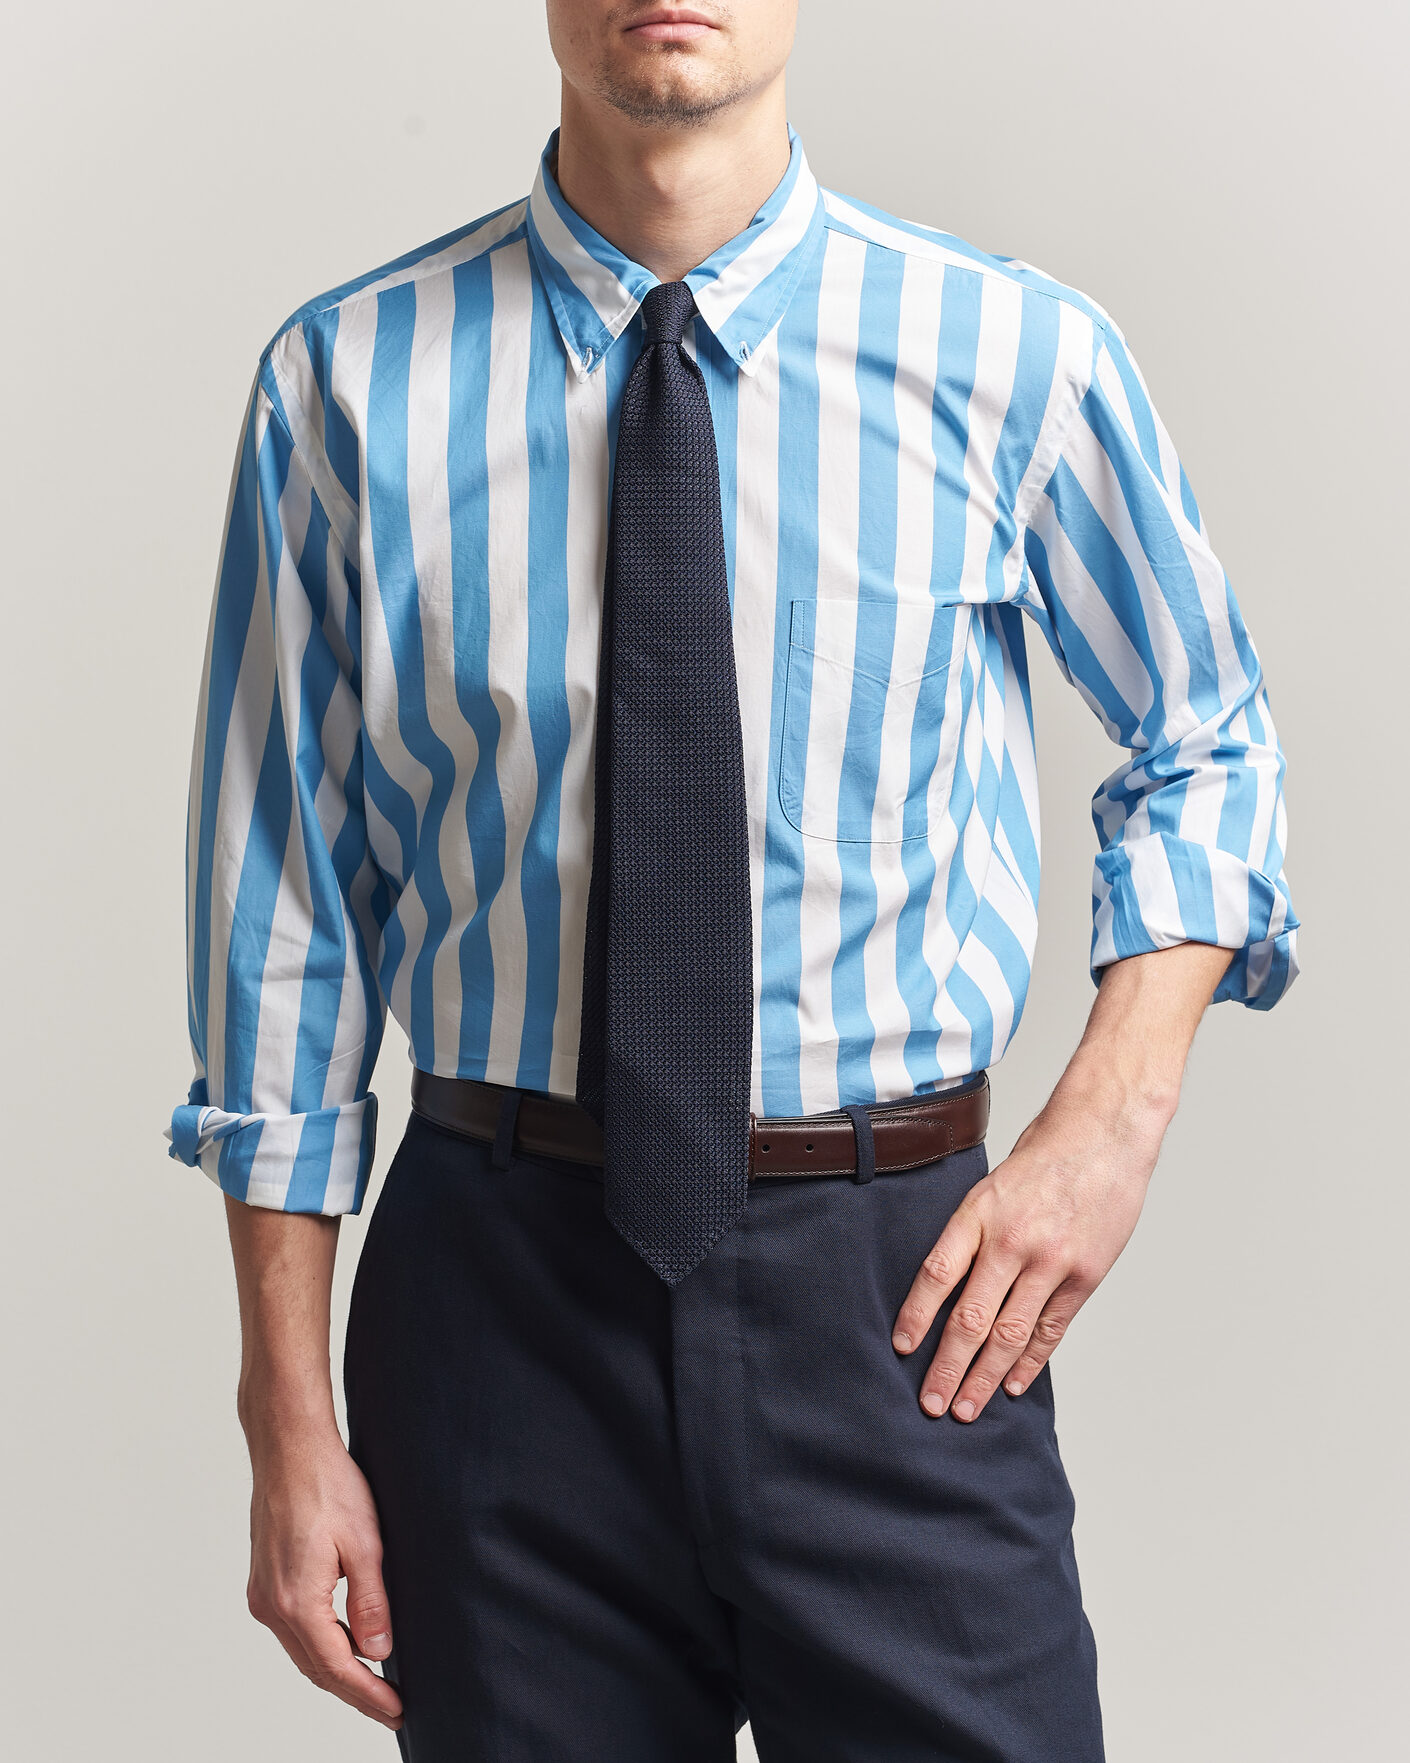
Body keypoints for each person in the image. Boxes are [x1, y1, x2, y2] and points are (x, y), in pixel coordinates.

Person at [163, 3, 1300, 1758]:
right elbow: (281, 911)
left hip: (896, 1297)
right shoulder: (345, 382)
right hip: (497, 1302)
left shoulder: (1011, 354)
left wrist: (1109, 1120)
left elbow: (1205, 740)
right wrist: (285, 1421)